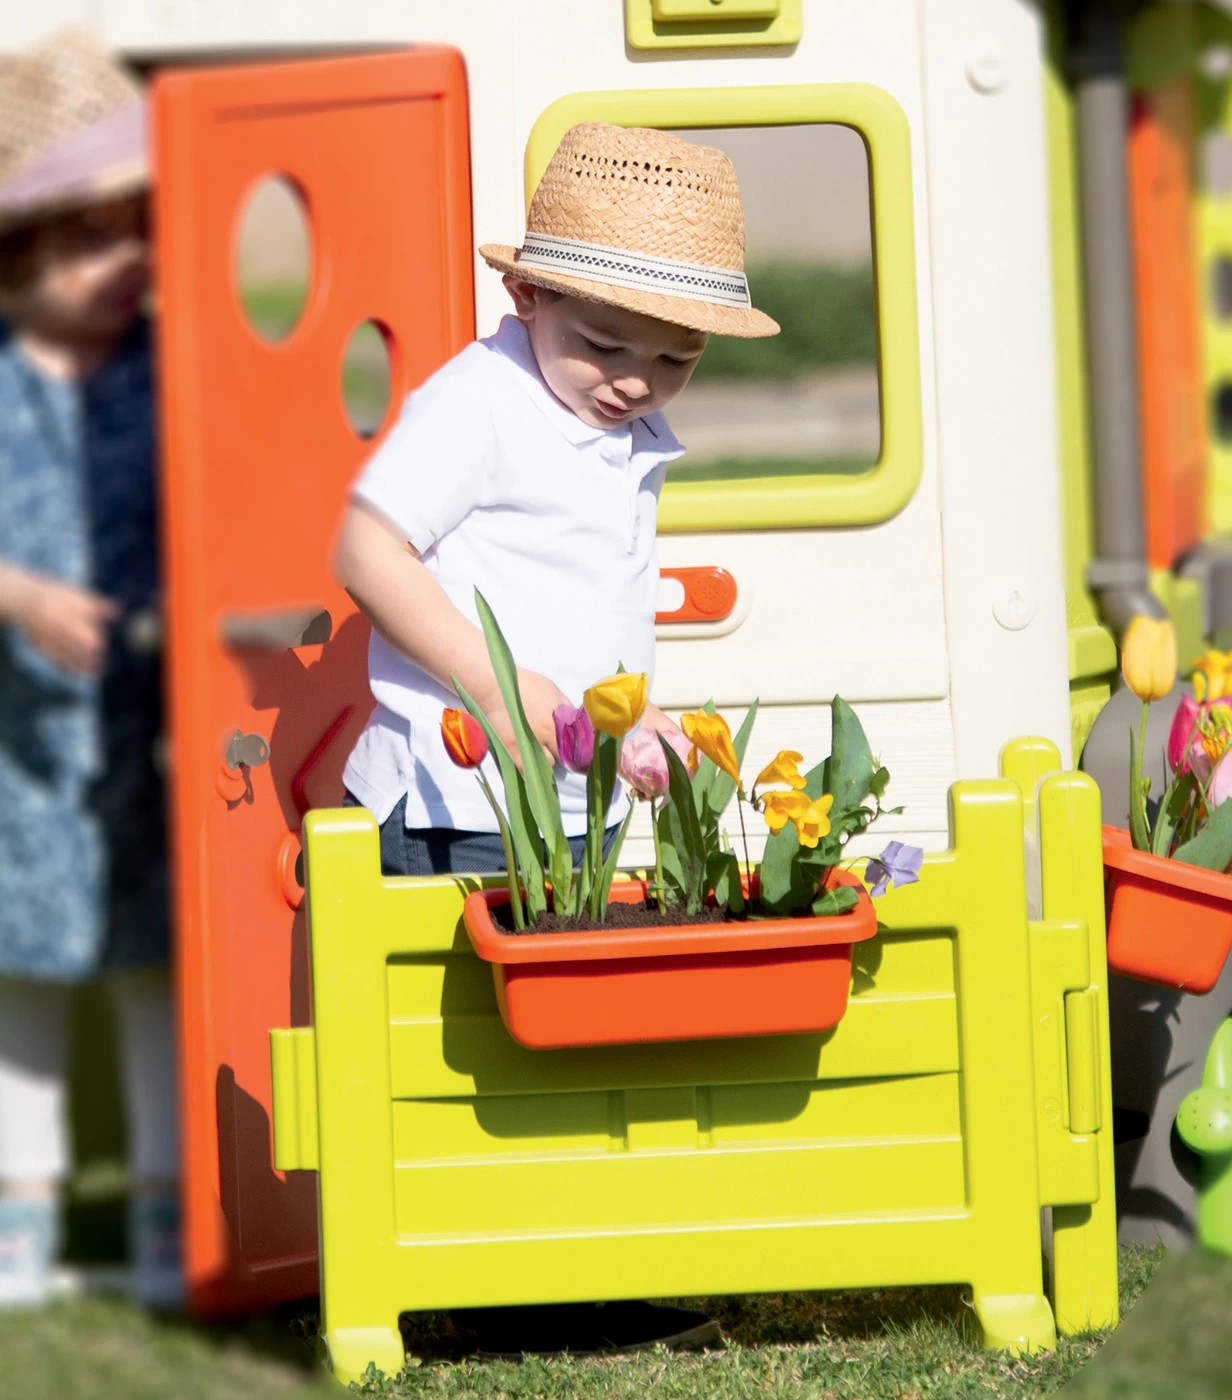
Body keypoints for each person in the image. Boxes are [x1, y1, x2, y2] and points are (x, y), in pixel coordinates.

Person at [336, 122, 778, 876]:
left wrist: (634, 719)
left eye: (678, 359)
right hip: (458, 805)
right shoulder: (483, 403)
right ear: (528, 293)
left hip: (577, 806)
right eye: (605, 346)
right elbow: (366, 547)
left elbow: (575, 602)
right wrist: (496, 693)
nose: (639, 382)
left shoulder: (617, 421)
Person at [0, 30, 178, 1308]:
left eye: (142, 226)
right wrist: (18, 594)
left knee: (157, 977)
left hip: (153, 734)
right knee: (24, 993)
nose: (129, 260)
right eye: (93, 235)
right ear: (23, 252)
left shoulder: (171, 373)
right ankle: (22, 1229)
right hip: (19, 743)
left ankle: (175, 1219)